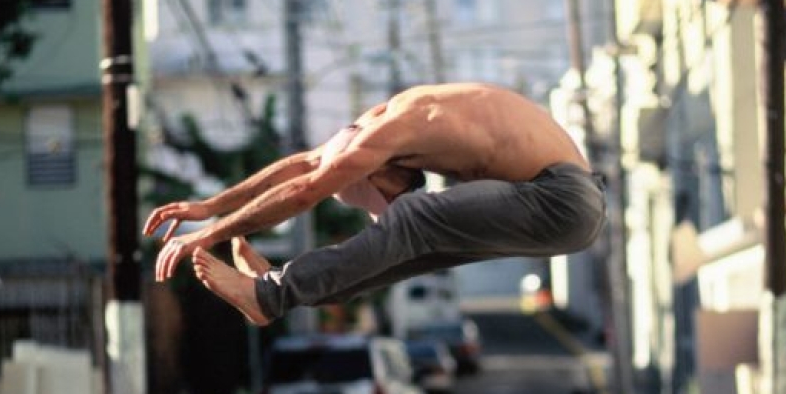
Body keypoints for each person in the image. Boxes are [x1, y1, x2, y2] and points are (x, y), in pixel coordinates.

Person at [143, 82, 606, 327]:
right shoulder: (374, 129)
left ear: (380, 169)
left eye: (378, 201)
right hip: (558, 205)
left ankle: (270, 295)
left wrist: (208, 236)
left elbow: (305, 193)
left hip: (563, 199)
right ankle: (276, 295)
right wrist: (209, 207)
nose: (379, 213)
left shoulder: (392, 131)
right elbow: (304, 166)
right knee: (408, 242)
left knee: (413, 221)